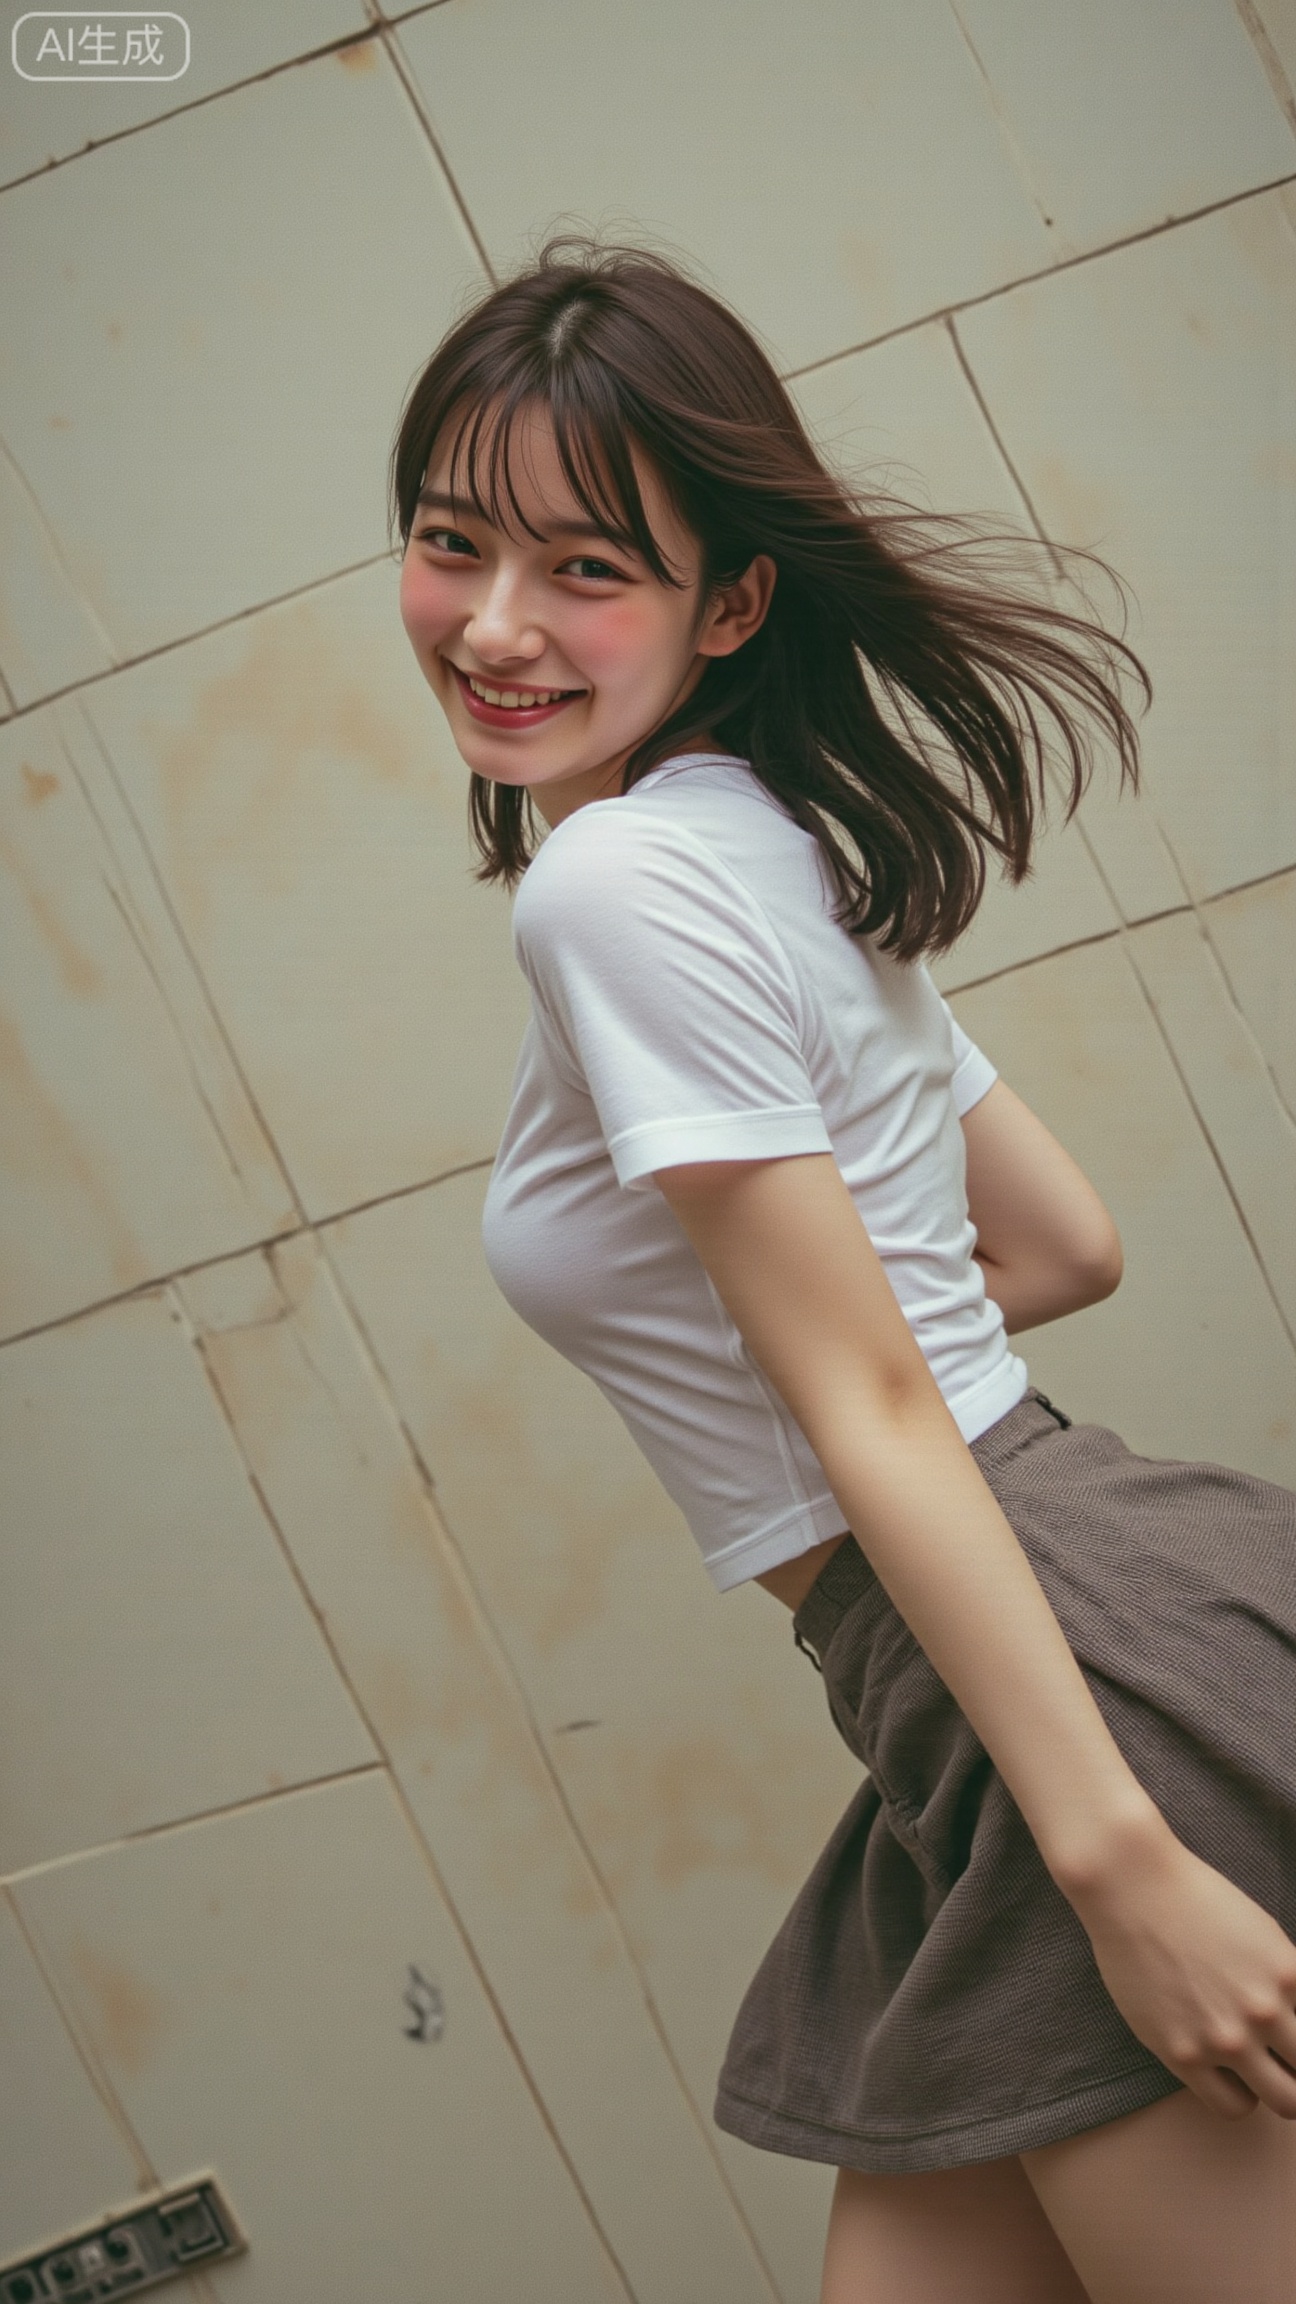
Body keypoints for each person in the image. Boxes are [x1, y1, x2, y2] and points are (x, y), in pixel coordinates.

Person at [390, 238, 1296, 2304]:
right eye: (451, 545)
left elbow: (879, 1390)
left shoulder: (615, 882)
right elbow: (1064, 1242)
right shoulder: (760, 831)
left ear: (731, 601)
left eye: (584, 568)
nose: (497, 625)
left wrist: (1115, 1856)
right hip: (1046, 1628)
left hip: (1043, 1705)